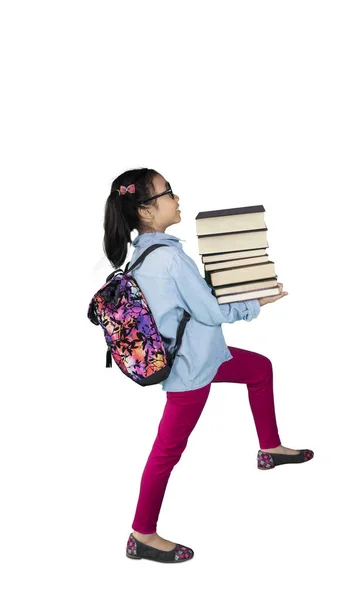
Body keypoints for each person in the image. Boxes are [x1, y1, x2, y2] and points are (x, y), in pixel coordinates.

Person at [102, 167, 314, 564]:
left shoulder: (145, 254)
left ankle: (269, 449)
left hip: (206, 356)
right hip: (190, 372)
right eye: (168, 193)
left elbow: (194, 306)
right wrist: (257, 302)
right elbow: (211, 312)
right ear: (146, 211)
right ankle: (141, 535)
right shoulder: (168, 259)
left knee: (259, 369)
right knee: (166, 452)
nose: (176, 198)